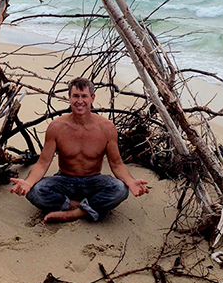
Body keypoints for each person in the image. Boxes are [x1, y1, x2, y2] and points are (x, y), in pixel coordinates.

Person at [10, 77, 149, 222]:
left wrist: (131, 181)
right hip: (65, 180)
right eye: (75, 96)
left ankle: (72, 213)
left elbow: (116, 164)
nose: (79, 101)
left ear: (92, 98)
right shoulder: (57, 127)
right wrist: (29, 182)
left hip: (93, 181)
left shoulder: (106, 128)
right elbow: (43, 163)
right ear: (69, 98)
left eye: (84, 96)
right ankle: (82, 206)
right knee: (34, 192)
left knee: (120, 189)